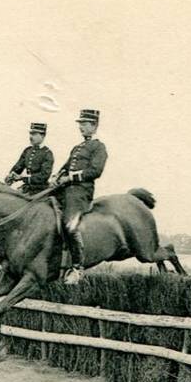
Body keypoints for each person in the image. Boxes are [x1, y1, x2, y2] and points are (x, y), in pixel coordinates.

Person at [53, 109, 108, 284]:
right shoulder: (77, 147)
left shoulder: (98, 147)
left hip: (80, 191)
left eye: (84, 124)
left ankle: (77, 267)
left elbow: (95, 171)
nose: (81, 128)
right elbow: (66, 166)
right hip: (65, 189)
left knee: (70, 225)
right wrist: (56, 177)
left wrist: (71, 177)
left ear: (94, 126)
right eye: (80, 124)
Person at [4, 122, 54, 196]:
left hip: (40, 190)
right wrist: (11, 176)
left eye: (34, 134)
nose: (31, 137)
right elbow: (18, 167)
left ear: (43, 136)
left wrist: (23, 178)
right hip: (27, 187)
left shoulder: (47, 153)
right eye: (30, 134)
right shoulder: (28, 150)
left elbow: (44, 176)